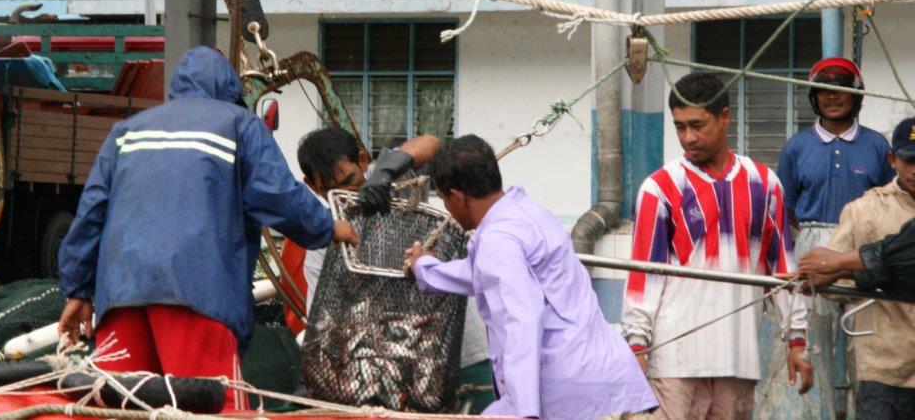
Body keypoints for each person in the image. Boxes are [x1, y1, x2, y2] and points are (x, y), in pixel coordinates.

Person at [57, 47, 358, 411]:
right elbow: (278, 195)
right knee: (213, 409)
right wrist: (328, 226)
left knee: (119, 408)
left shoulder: (125, 132)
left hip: (120, 296)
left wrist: (77, 290)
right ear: (230, 89)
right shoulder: (239, 125)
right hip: (197, 296)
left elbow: (91, 212)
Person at [405, 134, 657, 419]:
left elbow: (521, 318)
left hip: (573, 394)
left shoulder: (497, 240)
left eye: (444, 199)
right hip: (613, 381)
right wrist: (425, 268)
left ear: (457, 197)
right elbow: (484, 274)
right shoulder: (527, 211)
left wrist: (522, 411)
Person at [622, 72, 811, 419]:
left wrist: (797, 340)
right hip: (674, 360)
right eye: (680, 127)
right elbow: (642, 277)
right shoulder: (660, 188)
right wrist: (637, 345)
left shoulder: (764, 183)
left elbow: (783, 271)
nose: (688, 137)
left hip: (738, 358)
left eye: (697, 125)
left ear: (725, 117)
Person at [293, 126, 495, 413]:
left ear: (363, 160)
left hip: (467, 354)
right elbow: (324, 321)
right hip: (400, 373)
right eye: (330, 190)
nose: (346, 194)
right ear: (312, 186)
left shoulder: (394, 181)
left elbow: (432, 143)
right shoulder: (323, 241)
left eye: (350, 180)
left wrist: (385, 173)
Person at [776, 57, 892, 416]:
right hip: (813, 245)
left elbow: (891, 202)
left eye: (840, 89)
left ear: (856, 96)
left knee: (867, 345)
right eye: (824, 90)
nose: (832, 97)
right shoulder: (797, 146)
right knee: (812, 343)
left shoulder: (877, 145)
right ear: (814, 97)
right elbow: (786, 207)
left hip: (864, 252)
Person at [792, 117, 915, 418]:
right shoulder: (865, 210)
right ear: (892, 160)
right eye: (909, 160)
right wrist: (826, 277)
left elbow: (893, 258)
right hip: (883, 363)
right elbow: (831, 281)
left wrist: (842, 266)